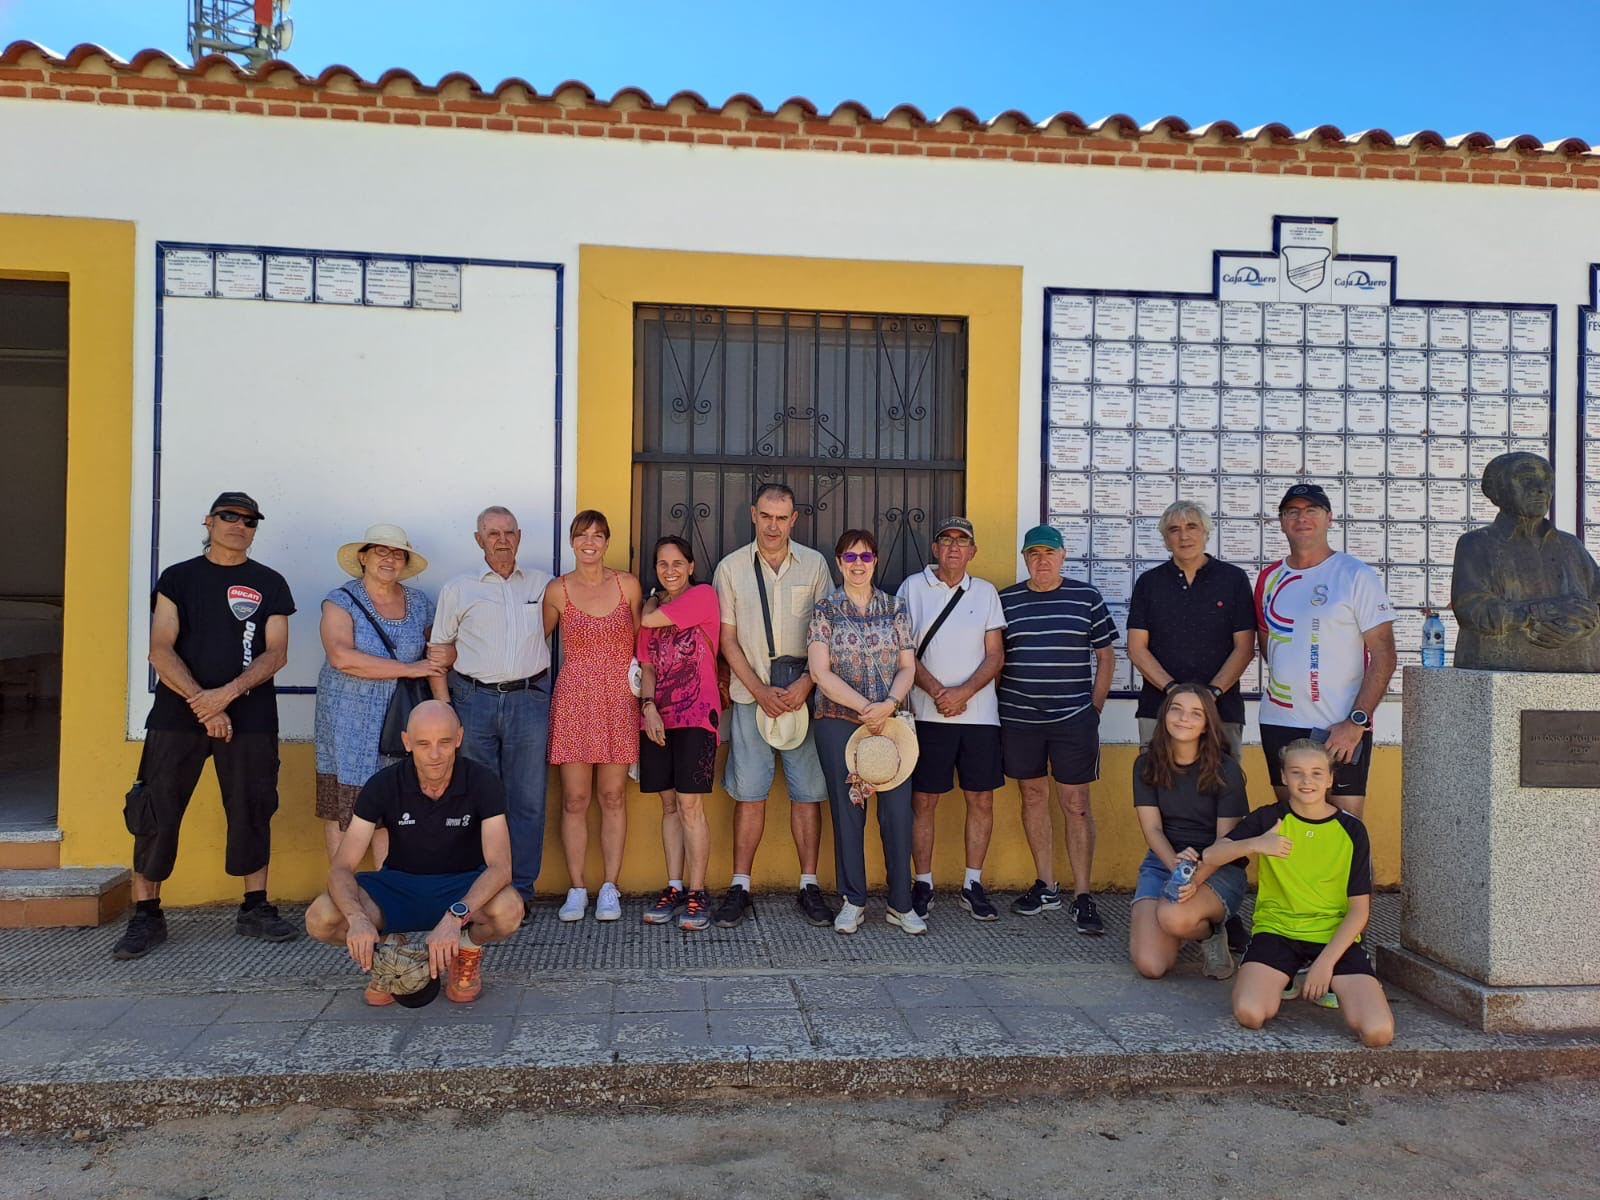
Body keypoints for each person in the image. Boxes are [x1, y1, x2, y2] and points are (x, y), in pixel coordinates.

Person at [113, 491, 298, 960]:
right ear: (210, 521)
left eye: (250, 519)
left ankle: (255, 907)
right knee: (156, 810)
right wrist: (205, 706)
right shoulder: (178, 578)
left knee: (253, 807)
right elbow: (160, 648)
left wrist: (227, 696)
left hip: (251, 718)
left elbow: (276, 652)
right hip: (178, 718)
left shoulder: (270, 582)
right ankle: (146, 915)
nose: (240, 525)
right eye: (229, 516)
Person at [303, 701, 524, 1005]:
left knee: (510, 909)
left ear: (459, 738)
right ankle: (391, 954)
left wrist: (454, 919)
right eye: (423, 744)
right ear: (407, 742)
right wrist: (357, 919)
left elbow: (501, 867)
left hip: (460, 887)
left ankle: (467, 947)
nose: (435, 755)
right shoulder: (382, 784)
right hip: (398, 887)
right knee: (320, 917)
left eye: (444, 742)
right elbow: (341, 867)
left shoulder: (483, 781)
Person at [1189, 737, 1395, 1047]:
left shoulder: (1351, 830)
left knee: (1378, 1033)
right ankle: (1286, 972)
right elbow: (1212, 856)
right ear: (1284, 777)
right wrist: (1257, 844)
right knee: (1251, 1013)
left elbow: (1359, 911)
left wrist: (1325, 965)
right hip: (1278, 930)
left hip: (1332, 935)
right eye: (1296, 772)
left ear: (1329, 779)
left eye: (1316, 773)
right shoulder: (1269, 819)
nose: (1306, 780)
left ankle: (1313, 972)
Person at [710, 483, 835, 929]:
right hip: (751, 698)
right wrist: (760, 690)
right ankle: (740, 886)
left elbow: (828, 634)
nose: (773, 526)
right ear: (753, 514)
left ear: (794, 519)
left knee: (808, 795)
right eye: (766, 516)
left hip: (804, 698)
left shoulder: (816, 565)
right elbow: (726, 639)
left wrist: (806, 684)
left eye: (782, 518)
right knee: (750, 795)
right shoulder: (730, 569)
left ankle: (809, 886)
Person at [429, 506, 553, 916]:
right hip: (473, 701)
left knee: (528, 800)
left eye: (508, 532)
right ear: (478, 540)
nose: (501, 539)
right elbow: (438, 653)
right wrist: (444, 708)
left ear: (519, 536)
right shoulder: (458, 589)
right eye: (492, 533)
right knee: (478, 799)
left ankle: (519, 892)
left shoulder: (544, 584)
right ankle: (480, 892)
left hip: (529, 699)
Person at [997, 525, 1117, 934]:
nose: (1042, 560)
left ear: (1063, 556)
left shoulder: (1087, 597)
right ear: (1025, 558)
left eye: (1050, 553)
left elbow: (1106, 656)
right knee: (1032, 796)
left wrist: (1093, 709)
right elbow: (995, 657)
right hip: (1020, 720)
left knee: (1076, 804)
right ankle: (1046, 885)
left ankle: (1083, 896)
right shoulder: (1006, 600)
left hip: (1073, 721)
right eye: (1034, 554)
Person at [1256, 483, 1397, 821]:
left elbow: (1384, 655)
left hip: (1341, 725)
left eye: (1311, 510)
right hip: (1280, 721)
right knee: (1290, 826)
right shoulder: (1268, 578)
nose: (1301, 518)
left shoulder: (1355, 575)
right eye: (1292, 511)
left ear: (1329, 518)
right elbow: (1268, 646)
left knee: (1346, 831)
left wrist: (1357, 721)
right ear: (1281, 521)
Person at [895, 516, 1007, 923]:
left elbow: (995, 654)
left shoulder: (986, 592)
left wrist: (961, 694)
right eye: (947, 540)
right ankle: (922, 882)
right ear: (935, 549)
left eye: (963, 542)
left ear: (973, 551)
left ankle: (972, 883)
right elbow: (903, 648)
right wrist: (939, 693)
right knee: (924, 801)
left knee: (981, 799)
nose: (955, 548)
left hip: (979, 717)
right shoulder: (912, 588)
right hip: (926, 715)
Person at [808, 528, 920, 933]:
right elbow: (820, 671)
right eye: (850, 558)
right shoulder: (825, 610)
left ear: (875, 561)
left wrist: (887, 706)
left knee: (896, 814)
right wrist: (864, 708)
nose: (858, 564)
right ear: (839, 562)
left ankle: (901, 904)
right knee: (848, 812)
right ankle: (853, 900)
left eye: (866, 557)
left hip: (891, 727)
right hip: (839, 723)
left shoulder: (896, 607)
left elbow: (908, 665)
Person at [314, 524, 441, 863]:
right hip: (348, 722)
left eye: (397, 553)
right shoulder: (340, 600)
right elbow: (341, 657)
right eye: (381, 551)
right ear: (363, 556)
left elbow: (440, 648)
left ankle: (389, 897)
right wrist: (411, 668)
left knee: (394, 812)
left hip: (400, 719)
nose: (389, 559)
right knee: (346, 809)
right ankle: (343, 900)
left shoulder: (420, 603)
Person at [545, 510, 642, 922]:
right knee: (575, 799)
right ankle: (577, 887)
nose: (590, 542)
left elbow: (645, 644)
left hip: (619, 699)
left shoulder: (628, 585)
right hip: (573, 701)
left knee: (613, 797)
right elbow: (535, 644)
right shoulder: (557, 591)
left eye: (598, 535)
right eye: (582, 535)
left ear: (606, 541)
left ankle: (609, 888)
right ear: (571, 541)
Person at [1128, 685, 1249, 982]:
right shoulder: (1145, 764)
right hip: (1165, 860)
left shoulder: (1227, 769)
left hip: (1217, 866)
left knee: (1173, 918)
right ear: (1165, 714)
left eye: (1196, 713)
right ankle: (1180, 923)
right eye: (1176, 709)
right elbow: (1153, 830)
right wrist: (1177, 870)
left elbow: (1227, 843)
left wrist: (1194, 878)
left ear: (1208, 723)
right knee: (1151, 965)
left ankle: (1208, 931)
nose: (1184, 718)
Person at [636, 535, 721, 932]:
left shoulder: (703, 596)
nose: (669, 571)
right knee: (668, 805)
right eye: (661, 564)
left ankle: (698, 891)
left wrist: (650, 602)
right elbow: (647, 666)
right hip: (659, 717)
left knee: (690, 806)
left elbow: (649, 619)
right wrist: (648, 707)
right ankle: (673, 886)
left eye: (676, 563)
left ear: (690, 566)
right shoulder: (653, 610)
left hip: (698, 716)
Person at [1126, 502, 1256, 759]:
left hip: (1222, 712)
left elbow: (1244, 648)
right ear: (1166, 539)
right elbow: (1136, 649)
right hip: (1159, 710)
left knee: (1221, 792)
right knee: (1158, 791)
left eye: (1192, 527)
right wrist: (1174, 691)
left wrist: (1211, 694)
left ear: (1206, 533)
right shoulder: (1149, 583)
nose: (1184, 536)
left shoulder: (1234, 579)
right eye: (1174, 529)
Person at [1451, 451, 1600, 672]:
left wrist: (1583, 625)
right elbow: (1473, 610)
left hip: (1579, 669)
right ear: (1496, 490)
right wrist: (1542, 612)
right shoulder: (1476, 544)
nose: (1541, 488)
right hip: (1500, 669)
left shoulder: (1571, 546)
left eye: (1547, 480)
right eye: (1526, 479)